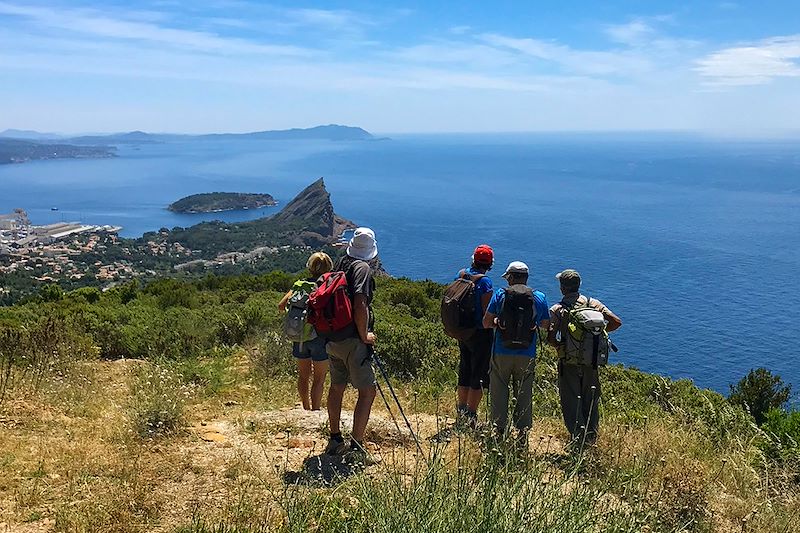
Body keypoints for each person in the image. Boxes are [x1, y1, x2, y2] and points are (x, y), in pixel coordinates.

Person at [547, 269, 622, 446]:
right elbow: (616, 322)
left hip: (569, 361)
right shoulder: (593, 304)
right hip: (592, 361)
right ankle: (591, 437)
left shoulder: (558, 309)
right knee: (591, 398)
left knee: (572, 400)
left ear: (562, 288)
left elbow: (551, 337)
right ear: (578, 285)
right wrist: (597, 333)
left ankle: (577, 440)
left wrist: (560, 346)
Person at [324, 227, 379, 462]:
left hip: (332, 337)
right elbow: (360, 303)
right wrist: (365, 334)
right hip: (352, 340)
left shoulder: (342, 263)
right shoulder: (362, 269)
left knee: (337, 387)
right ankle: (356, 448)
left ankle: (335, 439)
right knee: (367, 391)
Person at [482, 261, 550, 444]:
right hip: (527, 353)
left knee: (499, 388)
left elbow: (486, 323)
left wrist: (498, 321)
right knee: (524, 391)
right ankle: (522, 434)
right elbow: (545, 324)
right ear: (526, 278)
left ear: (510, 277)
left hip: (502, 351)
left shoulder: (500, 295)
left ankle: (499, 430)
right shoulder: (539, 297)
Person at [278, 252, 333, 411]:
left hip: (300, 336)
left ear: (309, 268)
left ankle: (305, 408)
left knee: (303, 376)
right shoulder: (326, 286)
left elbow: (281, 305)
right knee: (319, 378)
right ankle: (315, 411)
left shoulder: (299, 285)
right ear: (329, 268)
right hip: (319, 337)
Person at [454, 244, 494, 427]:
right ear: (490, 263)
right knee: (478, 374)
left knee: (464, 370)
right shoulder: (485, 282)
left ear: (473, 259)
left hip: (463, 331)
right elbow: (487, 311)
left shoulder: (461, 274)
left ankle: (461, 410)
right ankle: (471, 414)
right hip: (479, 333)